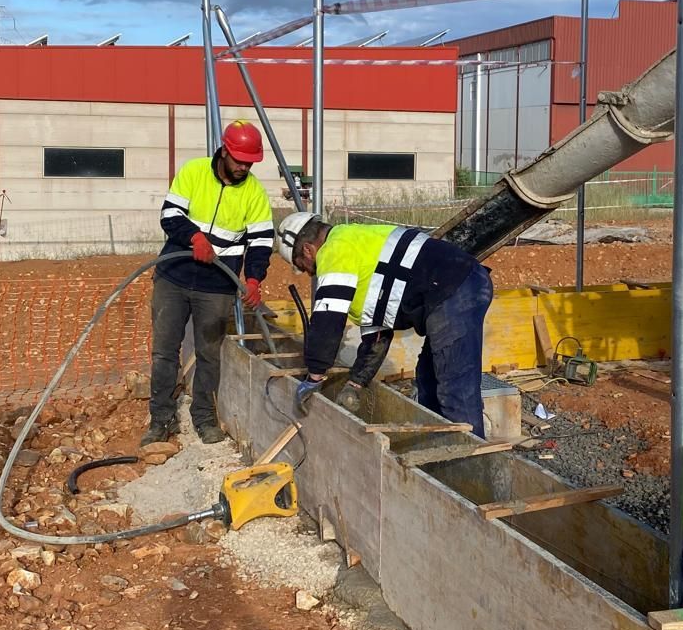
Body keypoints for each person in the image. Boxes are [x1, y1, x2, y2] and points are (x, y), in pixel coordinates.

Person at [276, 213, 494, 435]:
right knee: (429, 380)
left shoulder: (334, 250)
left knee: (455, 389)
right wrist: (356, 383)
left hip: (455, 288)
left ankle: (470, 451)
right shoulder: (356, 244)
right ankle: (439, 446)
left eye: (302, 266)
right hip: (457, 285)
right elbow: (377, 337)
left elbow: (327, 321)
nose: (308, 273)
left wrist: (314, 376)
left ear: (307, 250)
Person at [144, 120, 275, 446]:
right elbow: (170, 215)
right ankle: (160, 420)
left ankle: (204, 418)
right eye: (240, 160)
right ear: (225, 151)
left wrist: (254, 278)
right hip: (174, 277)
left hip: (217, 285)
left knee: (209, 355)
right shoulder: (194, 172)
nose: (244, 167)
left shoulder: (254, 193)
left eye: (250, 162)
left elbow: (260, 241)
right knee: (164, 353)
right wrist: (194, 237)